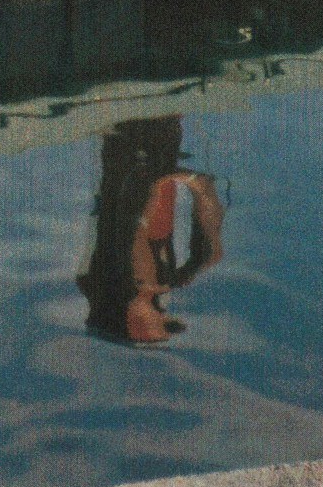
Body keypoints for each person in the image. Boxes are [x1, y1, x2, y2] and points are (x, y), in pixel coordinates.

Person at [76, 116, 225, 346]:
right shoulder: (141, 284)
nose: (165, 317)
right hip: (138, 157)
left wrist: (193, 181)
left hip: (141, 154)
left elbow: (139, 193)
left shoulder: (139, 282)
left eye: (158, 323)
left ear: (132, 321)